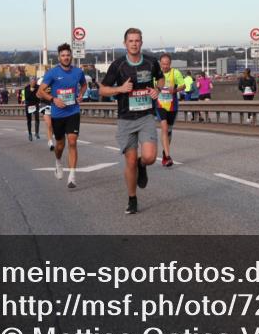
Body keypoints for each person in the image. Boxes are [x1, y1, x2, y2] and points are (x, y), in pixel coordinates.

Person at [99, 28, 163, 215]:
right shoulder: (118, 65)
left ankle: (143, 166)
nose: (134, 44)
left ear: (141, 42)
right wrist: (120, 89)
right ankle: (132, 199)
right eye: (131, 41)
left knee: (150, 157)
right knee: (130, 161)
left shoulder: (151, 62)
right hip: (126, 119)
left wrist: (157, 90)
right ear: (125, 43)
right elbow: (103, 90)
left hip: (146, 116)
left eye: (137, 40)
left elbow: (160, 79)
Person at [37, 43, 88, 189]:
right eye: (63, 55)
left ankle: (72, 176)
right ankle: (58, 162)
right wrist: (53, 99)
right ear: (59, 57)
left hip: (73, 111)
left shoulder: (78, 72)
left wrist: (80, 95)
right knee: (60, 145)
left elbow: (83, 85)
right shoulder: (52, 73)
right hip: (58, 114)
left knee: (72, 142)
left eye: (68, 55)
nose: (66, 58)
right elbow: (40, 91)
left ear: (71, 56)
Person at [155, 54, 185, 167]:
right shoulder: (156, 73)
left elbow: (184, 86)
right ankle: (168, 157)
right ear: (160, 63)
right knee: (164, 128)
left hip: (172, 106)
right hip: (160, 105)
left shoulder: (175, 73)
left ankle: (165, 152)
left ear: (170, 63)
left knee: (169, 131)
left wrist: (176, 89)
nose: (165, 66)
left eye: (167, 64)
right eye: (163, 64)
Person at [23, 76, 41, 141]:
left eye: (34, 81)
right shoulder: (26, 88)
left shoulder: (38, 87)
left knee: (37, 119)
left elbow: (38, 96)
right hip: (29, 105)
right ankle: (30, 134)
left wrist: (34, 91)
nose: (33, 82)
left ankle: (37, 133)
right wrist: (31, 91)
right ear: (30, 82)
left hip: (35, 104)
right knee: (29, 120)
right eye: (32, 81)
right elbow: (27, 97)